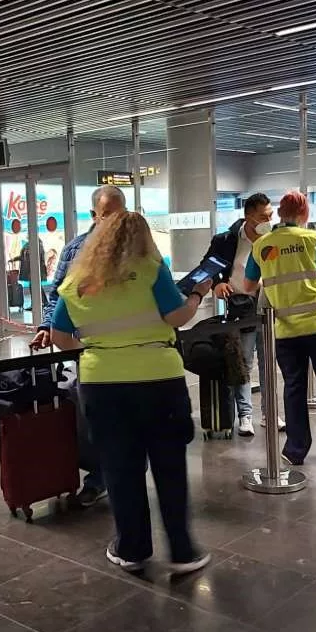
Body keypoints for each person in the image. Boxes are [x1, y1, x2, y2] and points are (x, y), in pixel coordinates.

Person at [51, 211, 211, 574]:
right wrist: (197, 294)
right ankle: (183, 551)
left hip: (102, 384)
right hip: (159, 379)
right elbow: (176, 317)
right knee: (170, 467)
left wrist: (95, 349)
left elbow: (60, 336)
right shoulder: (151, 270)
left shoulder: (77, 280)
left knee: (121, 469)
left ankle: (132, 550)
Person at [243, 191, 316, 464]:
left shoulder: (261, 245)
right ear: (304, 214)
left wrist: (274, 277)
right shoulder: (311, 238)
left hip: (286, 328)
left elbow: (248, 285)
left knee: (293, 387)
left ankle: (295, 449)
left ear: (279, 213)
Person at [31, 185, 125, 507]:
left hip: (133, 351)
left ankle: (124, 475)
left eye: (120, 214)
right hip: (90, 352)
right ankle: (100, 478)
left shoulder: (137, 249)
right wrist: (48, 325)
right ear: (93, 215)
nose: (114, 221)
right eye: (107, 214)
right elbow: (56, 295)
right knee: (95, 418)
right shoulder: (74, 251)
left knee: (129, 419)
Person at [198, 192, 284, 437]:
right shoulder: (227, 240)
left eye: (270, 215)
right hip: (240, 305)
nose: (268, 220)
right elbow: (207, 266)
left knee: (268, 361)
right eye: (262, 217)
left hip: (269, 305)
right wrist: (217, 284)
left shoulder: (275, 239)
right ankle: (245, 414)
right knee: (242, 361)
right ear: (248, 216)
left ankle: (270, 412)